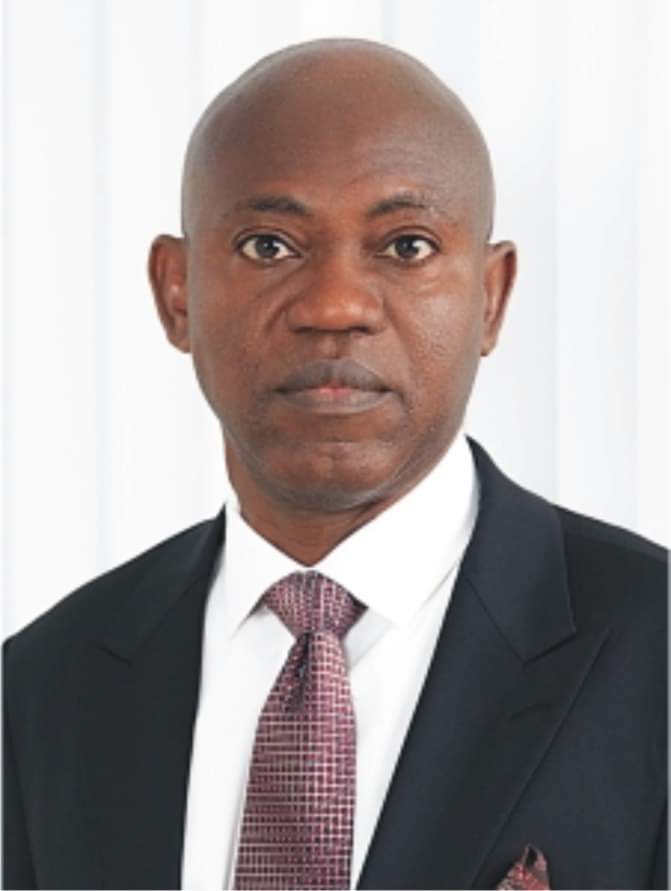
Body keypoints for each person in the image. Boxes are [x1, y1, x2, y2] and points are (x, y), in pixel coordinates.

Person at [3, 38, 666, 891]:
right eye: (268, 246)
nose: (334, 306)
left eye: (406, 246)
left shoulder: (654, 650)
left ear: (491, 297)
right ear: (177, 292)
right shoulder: (42, 689)